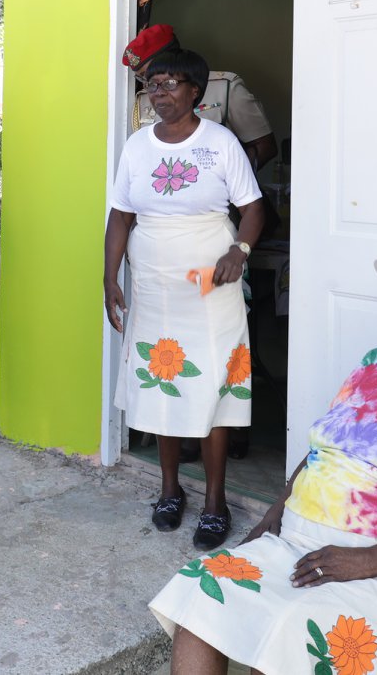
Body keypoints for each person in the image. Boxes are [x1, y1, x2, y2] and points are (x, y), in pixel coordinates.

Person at [151, 258, 377, 675]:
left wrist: (367, 562)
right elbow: (326, 447)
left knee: (293, 634)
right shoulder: (376, 362)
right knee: (202, 591)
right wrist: (277, 509)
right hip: (302, 544)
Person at [104, 47, 265, 550]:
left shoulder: (219, 142)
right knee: (163, 384)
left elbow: (253, 209)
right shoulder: (137, 146)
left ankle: (215, 502)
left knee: (213, 384)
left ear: (195, 91)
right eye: (152, 84)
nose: (159, 93)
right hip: (154, 284)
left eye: (170, 83)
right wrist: (110, 277)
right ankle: (169, 490)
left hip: (210, 284)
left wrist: (240, 250)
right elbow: (121, 216)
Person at [124, 24, 277, 171]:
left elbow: (264, 146)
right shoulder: (144, 99)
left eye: (151, 72)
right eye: (141, 78)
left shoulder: (224, 86)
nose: (149, 83)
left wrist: (227, 181)